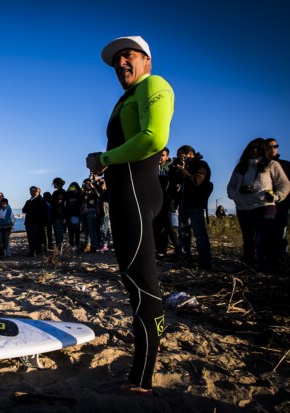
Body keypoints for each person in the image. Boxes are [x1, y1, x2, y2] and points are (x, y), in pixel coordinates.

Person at [86, 36, 174, 393]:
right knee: (132, 279)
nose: (121, 63)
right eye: (116, 61)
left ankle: (142, 378)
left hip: (137, 193)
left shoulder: (154, 84)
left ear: (146, 60)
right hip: (126, 194)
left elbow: (154, 138)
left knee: (142, 283)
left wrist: (104, 159)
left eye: (128, 56)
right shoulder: (126, 97)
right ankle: (144, 364)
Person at [227, 138, 290, 269]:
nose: (254, 150)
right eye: (252, 147)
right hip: (243, 207)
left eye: (258, 148)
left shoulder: (271, 164)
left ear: (264, 150)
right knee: (248, 238)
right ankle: (248, 265)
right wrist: (234, 196)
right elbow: (231, 185)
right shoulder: (240, 166)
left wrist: (277, 196)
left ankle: (268, 265)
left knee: (265, 237)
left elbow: (284, 184)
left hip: (264, 205)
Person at [170, 145, 213, 269]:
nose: (180, 158)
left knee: (199, 233)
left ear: (190, 154)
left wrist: (183, 170)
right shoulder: (180, 166)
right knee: (183, 233)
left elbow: (196, 181)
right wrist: (175, 169)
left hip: (196, 203)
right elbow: (173, 181)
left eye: (182, 156)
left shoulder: (201, 165)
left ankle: (205, 262)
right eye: (178, 156)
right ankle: (185, 261)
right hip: (183, 203)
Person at [265, 138, 290, 259]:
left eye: (275, 146)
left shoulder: (286, 164)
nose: (273, 149)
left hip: (282, 204)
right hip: (265, 205)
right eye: (269, 147)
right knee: (266, 233)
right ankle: (268, 259)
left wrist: (285, 198)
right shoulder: (261, 165)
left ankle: (281, 259)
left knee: (280, 233)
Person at [153, 147, 180, 261]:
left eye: (162, 155)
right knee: (157, 227)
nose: (160, 157)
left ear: (167, 156)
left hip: (168, 201)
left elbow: (176, 184)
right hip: (155, 201)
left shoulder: (171, 168)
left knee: (170, 226)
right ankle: (161, 250)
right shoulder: (152, 167)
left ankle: (178, 250)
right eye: (158, 154)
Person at [22, 186, 48, 257]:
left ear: (37, 192)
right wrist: (32, 210)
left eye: (34, 191)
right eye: (31, 191)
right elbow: (23, 210)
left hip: (37, 222)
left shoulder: (41, 200)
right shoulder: (28, 201)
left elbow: (44, 210)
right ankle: (32, 252)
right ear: (30, 192)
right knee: (30, 238)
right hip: (28, 222)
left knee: (37, 238)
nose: (33, 192)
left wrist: (31, 210)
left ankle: (38, 252)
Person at [81, 178, 101, 253]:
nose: (87, 184)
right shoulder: (83, 192)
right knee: (86, 231)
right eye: (85, 183)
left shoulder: (94, 191)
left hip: (91, 211)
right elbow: (80, 199)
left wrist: (93, 187)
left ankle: (93, 246)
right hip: (83, 212)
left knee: (92, 230)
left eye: (88, 183)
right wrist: (82, 190)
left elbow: (99, 196)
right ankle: (88, 246)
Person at [63, 182, 82, 251]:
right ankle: (71, 244)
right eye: (71, 187)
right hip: (69, 214)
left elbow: (81, 201)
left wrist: (77, 193)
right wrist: (68, 192)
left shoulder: (79, 194)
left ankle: (77, 244)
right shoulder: (68, 194)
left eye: (74, 187)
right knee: (70, 231)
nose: (72, 188)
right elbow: (64, 200)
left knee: (77, 231)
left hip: (76, 214)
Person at [50, 177, 67, 248]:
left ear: (56, 184)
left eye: (54, 183)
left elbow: (58, 202)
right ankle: (59, 246)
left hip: (59, 214)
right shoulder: (57, 192)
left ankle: (60, 247)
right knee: (56, 232)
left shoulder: (62, 192)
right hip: (55, 214)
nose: (53, 185)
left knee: (58, 232)